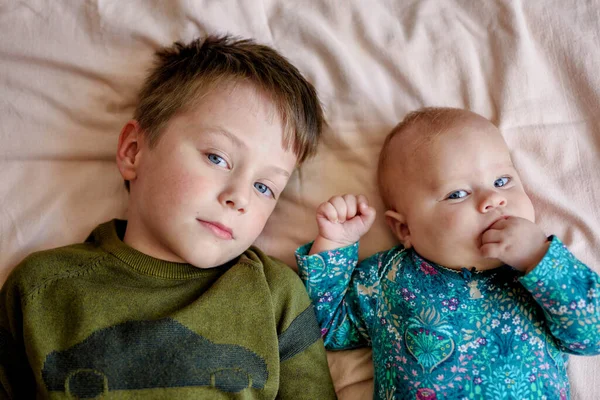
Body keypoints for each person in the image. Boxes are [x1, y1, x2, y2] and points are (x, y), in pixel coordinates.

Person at [0, 35, 336, 399]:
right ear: (134, 152)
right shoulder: (41, 289)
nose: (239, 197)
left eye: (264, 187)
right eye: (217, 158)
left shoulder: (275, 296)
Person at [296, 107, 600, 399]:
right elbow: (325, 324)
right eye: (457, 194)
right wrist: (334, 244)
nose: (493, 199)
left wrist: (539, 258)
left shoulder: (539, 272)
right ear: (405, 230)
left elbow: (592, 333)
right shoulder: (385, 279)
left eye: (502, 181)